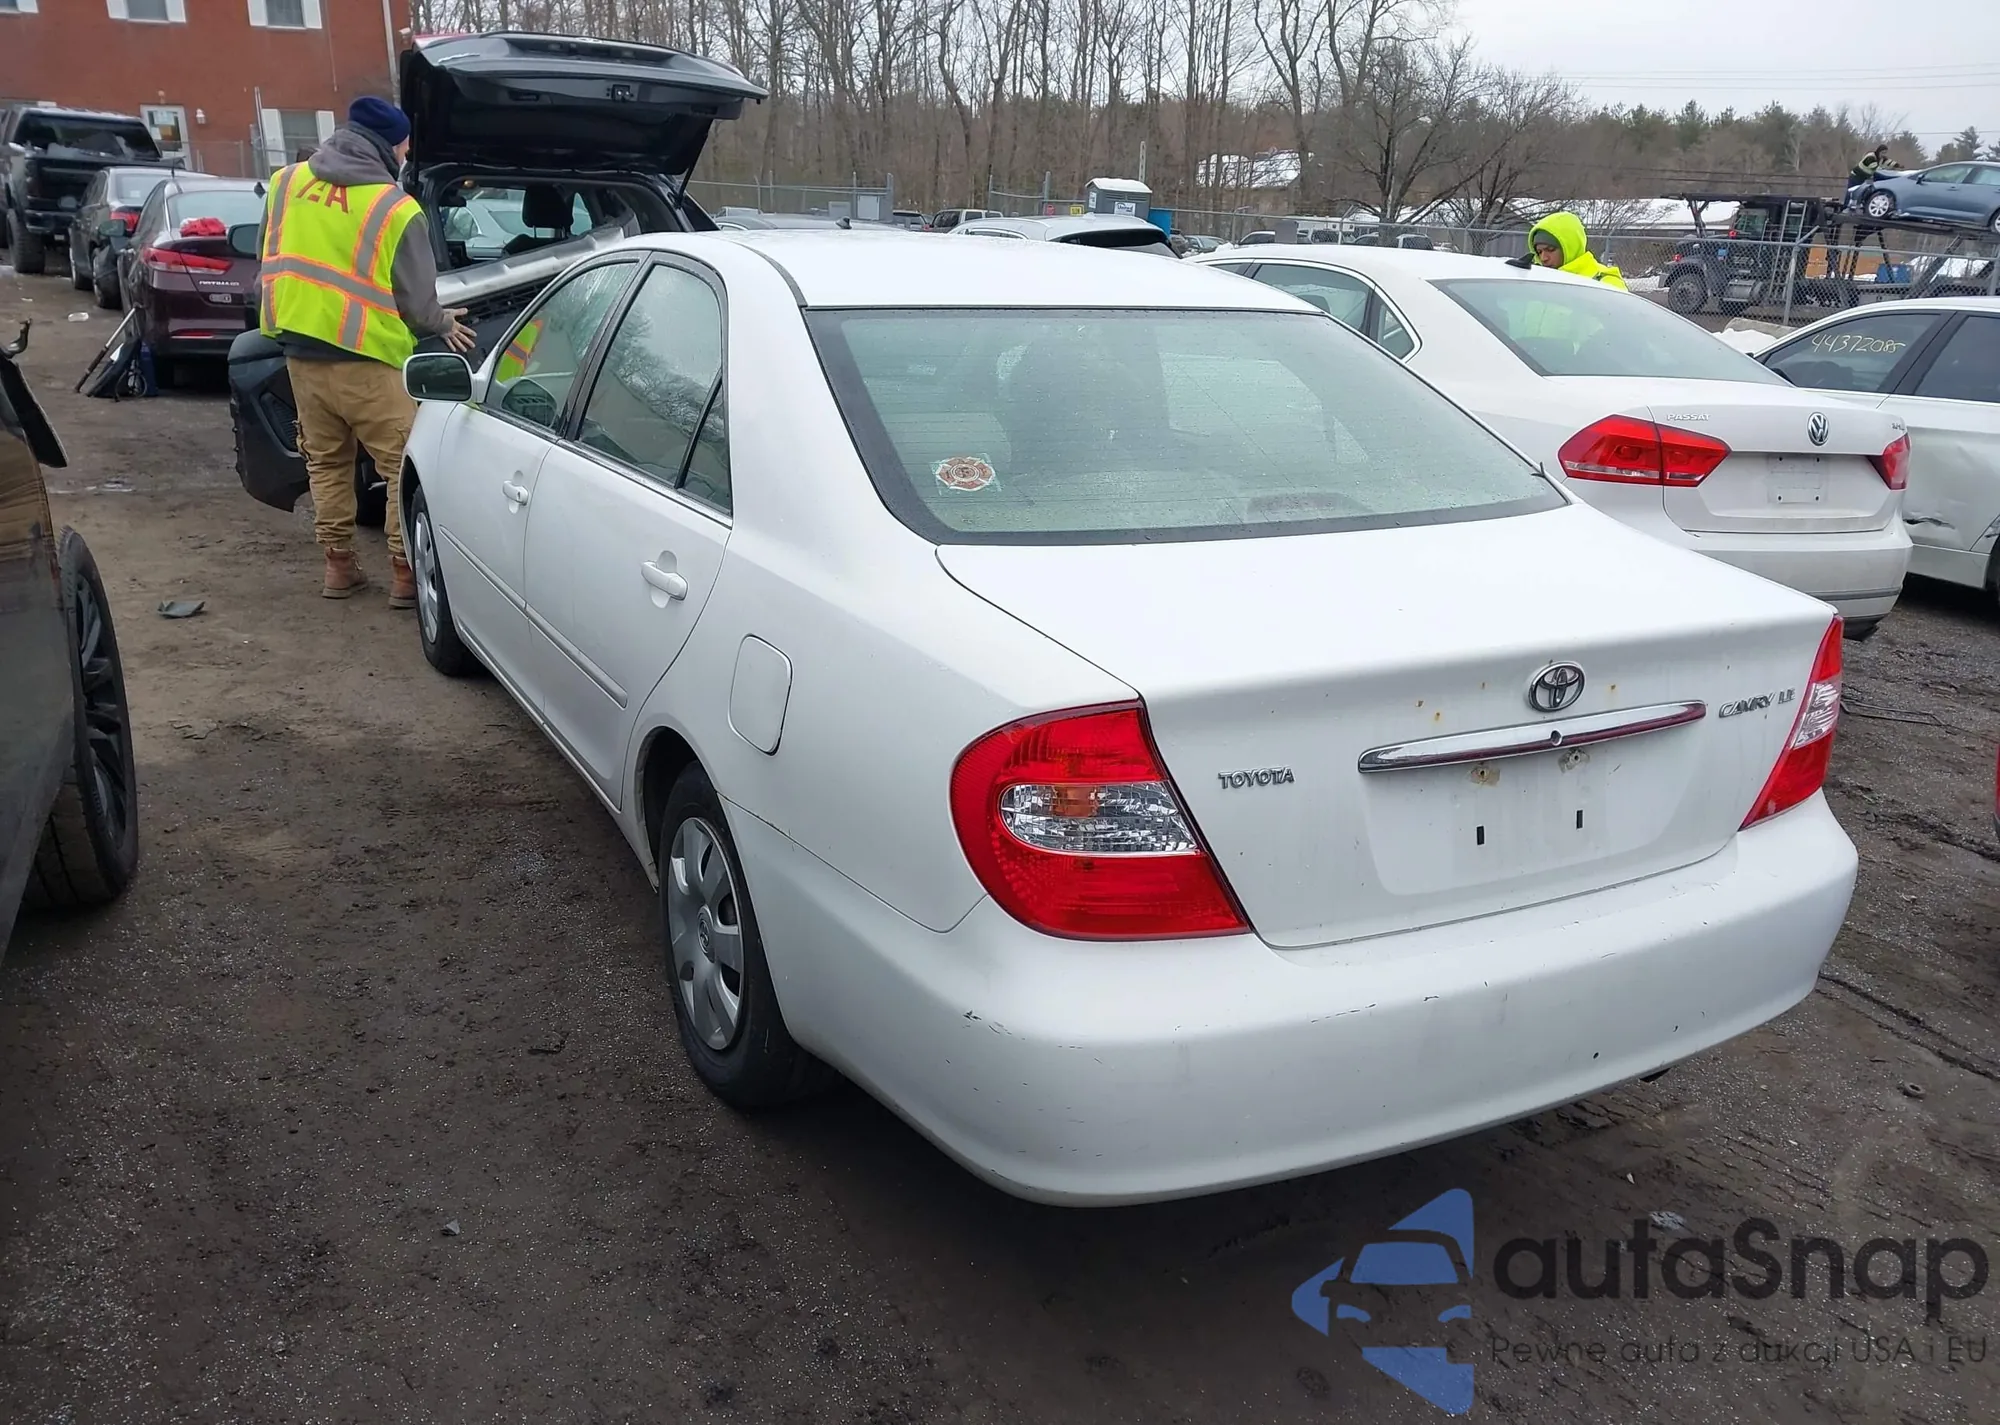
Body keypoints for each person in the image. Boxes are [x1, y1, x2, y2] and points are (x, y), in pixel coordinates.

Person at [257, 96, 475, 603]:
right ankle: (404, 574)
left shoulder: (285, 183)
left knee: (326, 463)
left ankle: (339, 567)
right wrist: (444, 323)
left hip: (301, 354)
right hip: (370, 360)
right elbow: (418, 306)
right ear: (388, 146)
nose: (406, 154)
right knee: (401, 468)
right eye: (404, 146)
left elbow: (270, 253)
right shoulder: (395, 208)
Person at [1507, 212, 1628, 291]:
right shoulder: (1538, 281)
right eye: (1539, 252)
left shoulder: (1605, 283)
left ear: (1570, 247)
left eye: (1550, 250)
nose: (1544, 258)